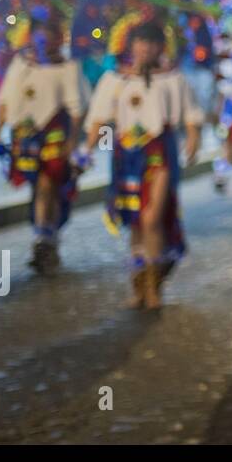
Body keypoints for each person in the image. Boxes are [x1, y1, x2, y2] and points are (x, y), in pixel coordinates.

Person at [82, 21, 203, 309]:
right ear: (130, 44)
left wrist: (193, 140)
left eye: (151, 42)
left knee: (152, 218)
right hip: (125, 156)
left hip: (159, 154)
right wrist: (85, 152)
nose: (145, 47)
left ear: (161, 47)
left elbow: (191, 114)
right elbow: (99, 119)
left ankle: (154, 285)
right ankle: (138, 282)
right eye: (140, 41)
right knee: (135, 223)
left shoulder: (174, 78)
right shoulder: (114, 80)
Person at [0, 12, 86, 274]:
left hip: (54, 132)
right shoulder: (20, 63)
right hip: (25, 135)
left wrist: (72, 141)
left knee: (48, 183)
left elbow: (75, 108)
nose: (42, 39)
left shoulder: (68, 67)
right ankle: (46, 236)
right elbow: (6, 99)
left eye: (48, 32)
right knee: (39, 186)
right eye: (38, 32)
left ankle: (44, 239)